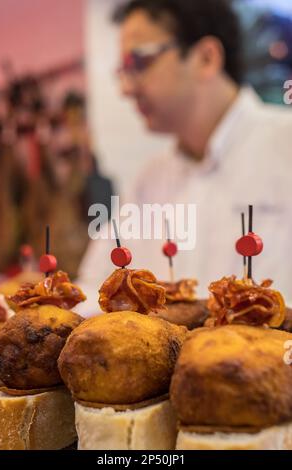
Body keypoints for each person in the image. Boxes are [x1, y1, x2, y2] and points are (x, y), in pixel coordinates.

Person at [76, 0, 292, 316]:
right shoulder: (149, 180)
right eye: (123, 71)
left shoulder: (284, 147)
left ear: (206, 58)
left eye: (140, 63)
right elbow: (95, 287)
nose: (125, 88)